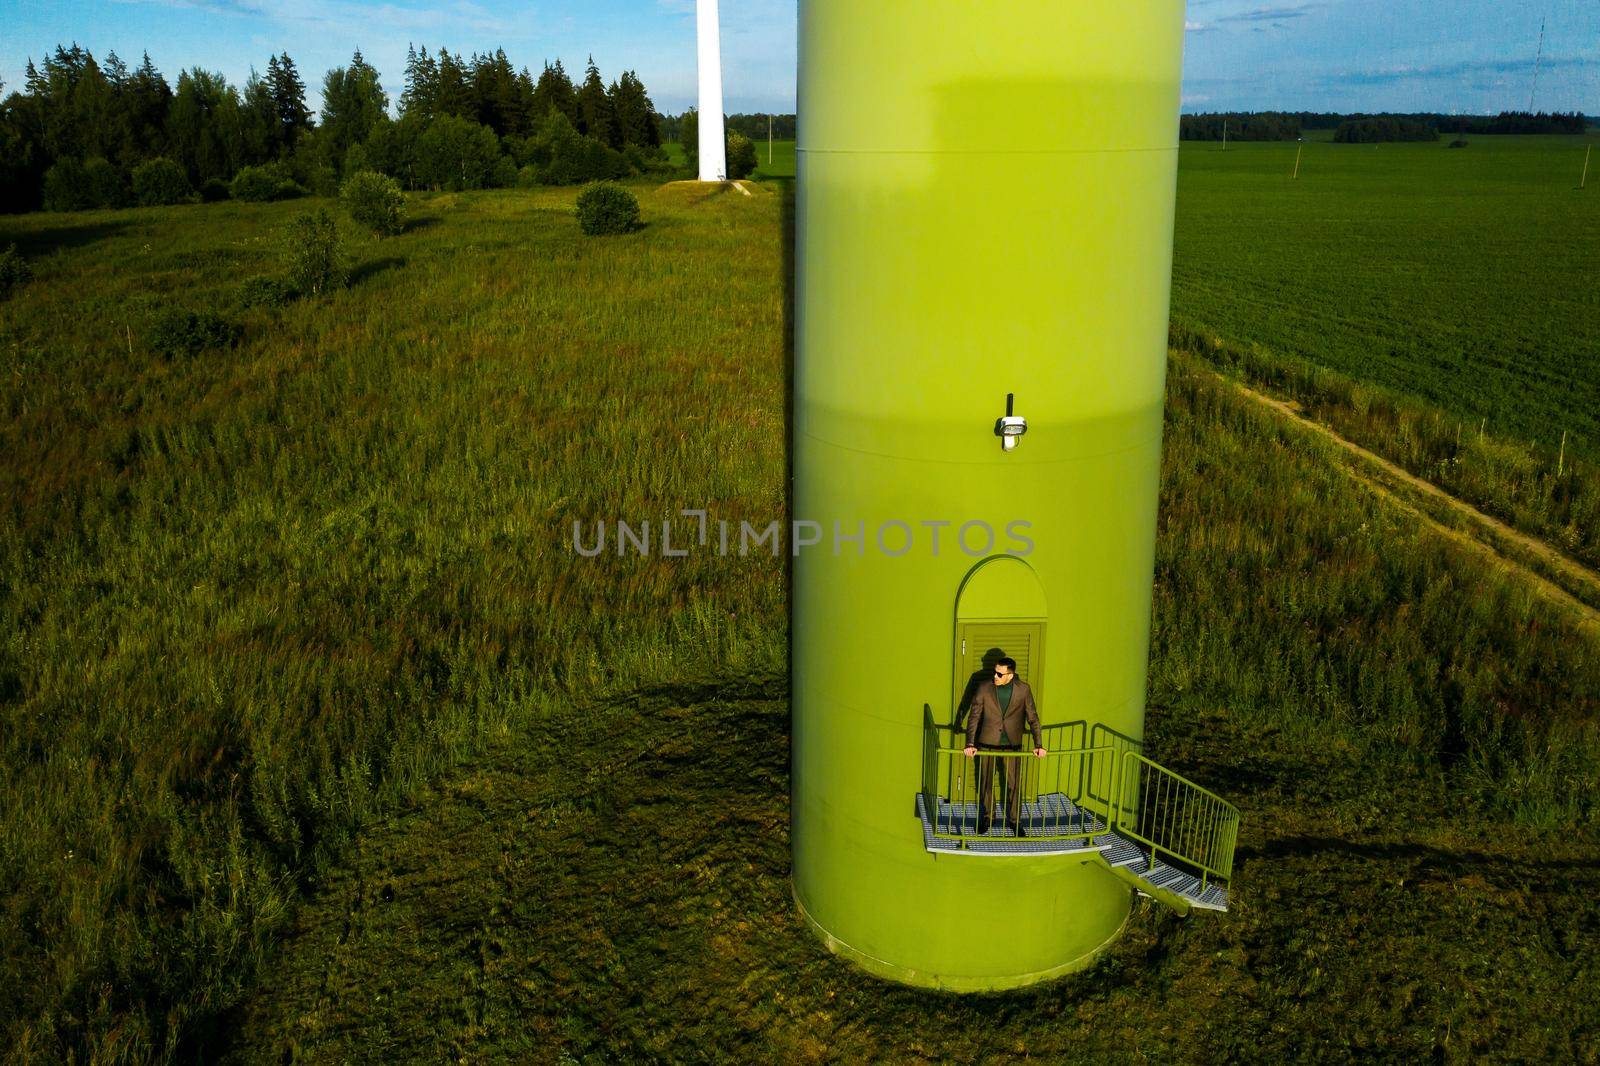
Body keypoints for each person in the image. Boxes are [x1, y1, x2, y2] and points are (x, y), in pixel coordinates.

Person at [962, 657, 1046, 835]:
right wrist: (970, 743)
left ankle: (1015, 822)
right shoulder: (985, 688)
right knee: (986, 784)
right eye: (994, 671)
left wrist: (1039, 744)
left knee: (1014, 785)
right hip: (987, 743)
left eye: (1000, 674)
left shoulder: (1023, 690)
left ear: (1010, 675)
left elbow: (1033, 717)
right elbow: (974, 716)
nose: (995, 676)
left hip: (1012, 746)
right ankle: (988, 818)